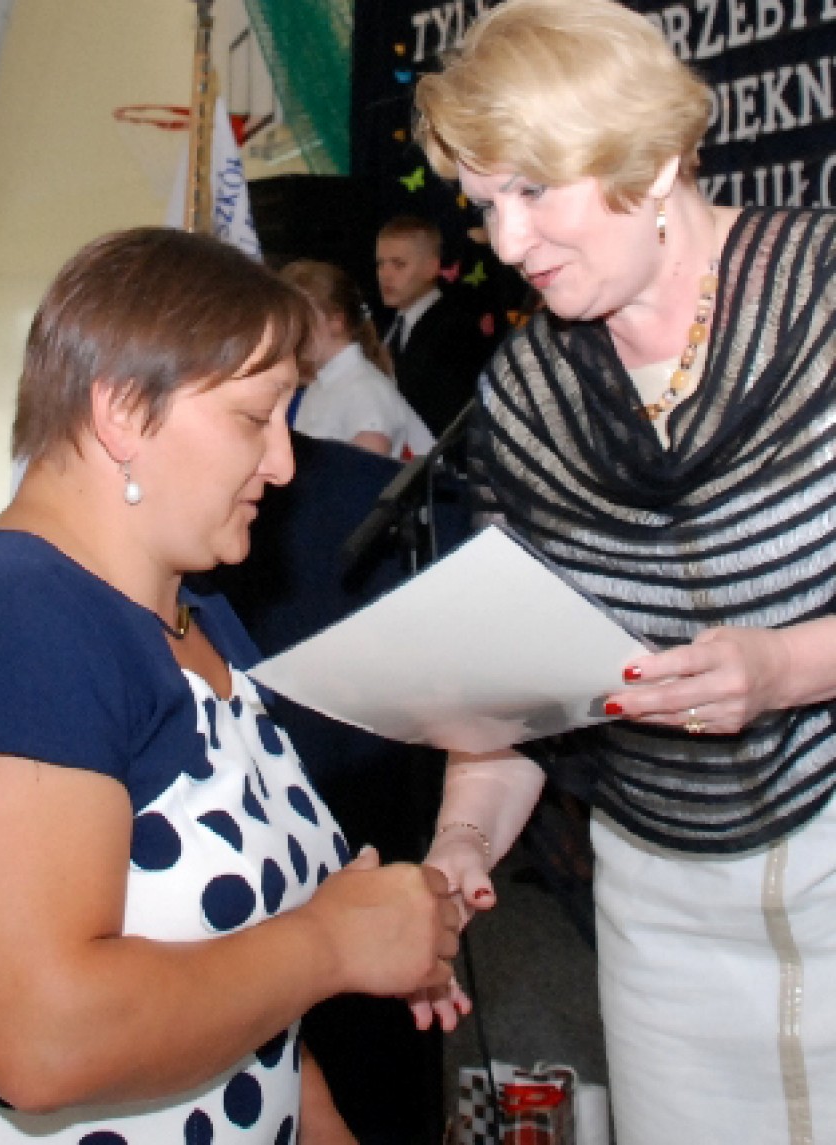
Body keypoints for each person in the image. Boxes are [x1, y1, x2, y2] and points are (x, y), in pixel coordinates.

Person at [0, 227, 460, 1144]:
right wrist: (333, 942)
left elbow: (239, 992)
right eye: (254, 418)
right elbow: (42, 1040)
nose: (284, 463)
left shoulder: (194, 617)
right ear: (124, 411)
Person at [406, 1, 836, 1143]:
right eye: (484, 203)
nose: (506, 242)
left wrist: (791, 667)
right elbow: (518, 689)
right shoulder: (527, 394)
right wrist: (460, 844)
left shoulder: (823, 293)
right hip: (658, 905)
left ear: (649, 162)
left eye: (532, 191)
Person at [280, 258, 434, 460]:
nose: (289, 331)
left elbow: (366, 471)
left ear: (336, 320)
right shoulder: (322, 386)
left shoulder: (364, 389)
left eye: (300, 318)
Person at [375, 215, 488, 437]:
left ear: (431, 268)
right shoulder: (392, 325)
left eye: (399, 264)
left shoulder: (456, 331)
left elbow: (447, 417)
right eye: (380, 264)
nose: (385, 274)